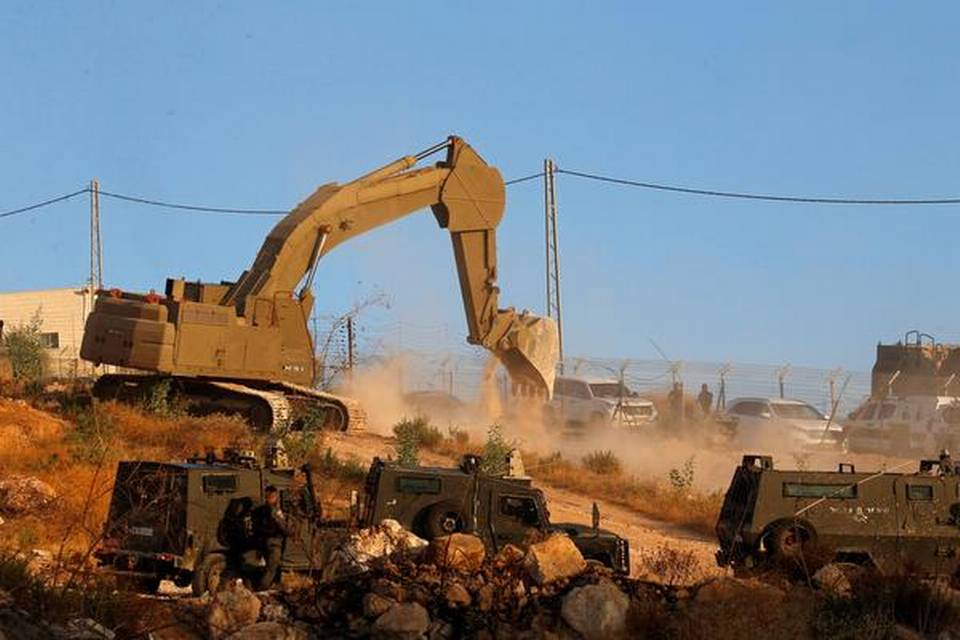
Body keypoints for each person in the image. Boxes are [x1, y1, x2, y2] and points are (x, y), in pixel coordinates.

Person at [252, 485, 290, 591]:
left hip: (262, 542)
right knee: (272, 568)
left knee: (271, 566)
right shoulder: (275, 511)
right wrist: (288, 531)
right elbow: (283, 527)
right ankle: (262, 589)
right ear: (274, 496)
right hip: (274, 542)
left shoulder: (259, 510)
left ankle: (273, 587)